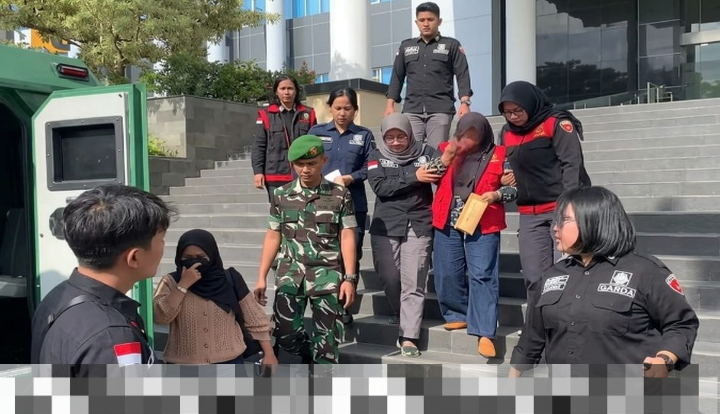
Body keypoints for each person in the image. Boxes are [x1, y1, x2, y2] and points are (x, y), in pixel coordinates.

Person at [509, 187, 699, 378]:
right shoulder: (552, 275)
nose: (555, 228)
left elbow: (681, 324)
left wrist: (664, 359)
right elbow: (530, 340)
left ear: (594, 221)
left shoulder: (645, 272)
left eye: (565, 220)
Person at [30, 184, 177, 377]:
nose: (163, 246)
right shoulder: (112, 337)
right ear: (134, 257)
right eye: (161, 239)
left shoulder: (57, 297)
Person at [254, 135, 358, 367]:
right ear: (292, 164)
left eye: (311, 163)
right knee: (285, 333)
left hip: (327, 274)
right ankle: (307, 353)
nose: (305, 170)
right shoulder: (281, 195)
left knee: (327, 344)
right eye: (300, 164)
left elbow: (347, 235)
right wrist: (261, 276)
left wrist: (349, 278)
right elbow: (273, 234)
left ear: (323, 160)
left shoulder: (340, 194)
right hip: (290, 273)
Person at [429, 112, 517, 359]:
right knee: (447, 270)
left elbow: (513, 189)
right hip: (447, 219)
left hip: (483, 220)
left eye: (473, 135)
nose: (468, 140)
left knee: (483, 274)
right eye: (464, 134)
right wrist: (446, 158)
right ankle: (456, 313)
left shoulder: (500, 154)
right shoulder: (445, 148)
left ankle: (485, 331)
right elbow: (428, 175)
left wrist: (497, 194)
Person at [497, 80, 591, 299]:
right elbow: (503, 163)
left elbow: (572, 165)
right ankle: (538, 319)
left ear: (529, 104)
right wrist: (502, 176)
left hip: (561, 208)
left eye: (518, 110)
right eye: (507, 112)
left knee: (567, 273)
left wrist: (568, 208)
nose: (513, 116)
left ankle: (566, 318)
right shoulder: (506, 132)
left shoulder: (555, 123)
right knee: (534, 277)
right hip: (530, 213)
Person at [153, 229, 277, 370]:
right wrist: (182, 285)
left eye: (201, 257)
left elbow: (255, 318)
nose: (195, 262)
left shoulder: (230, 279)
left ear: (212, 255)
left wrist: (269, 354)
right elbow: (160, 317)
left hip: (229, 365)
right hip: (183, 367)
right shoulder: (170, 282)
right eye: (187, 257)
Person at [367, 113, 436, 358]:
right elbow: (381, 187)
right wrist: (414, 177)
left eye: (401, 136)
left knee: (414, 281)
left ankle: (409, 336)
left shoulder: (427, 153)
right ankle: (401, 311)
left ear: (410, 134)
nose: (396, 142)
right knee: (390, 277)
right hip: (386, 225)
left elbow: (445, 170)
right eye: (390, 137)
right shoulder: (375, 156)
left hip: (419, 223)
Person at [309, 86, 374, 326]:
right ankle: (325, 300)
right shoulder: (316, 132)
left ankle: (346, 304)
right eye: (338, 108)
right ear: (330, 108)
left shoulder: (364, 136)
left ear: (355, 110)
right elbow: (305, 162)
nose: (342, 113)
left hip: (353, 203)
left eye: (347, 108)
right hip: (322, 201)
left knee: (351, 253)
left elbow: (371, 167)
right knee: (326, 251)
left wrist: (351, 178)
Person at [384, 1, 473, 149]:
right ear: (416, 22)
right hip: (412, 110)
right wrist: (390, 105)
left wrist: (465, 102)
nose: (426, 24)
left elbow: (462, 74)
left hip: (440, 109)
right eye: (422, 20)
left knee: (436, 151)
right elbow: (397, 77)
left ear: (439, 21)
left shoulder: (451, 45)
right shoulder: (406, 46)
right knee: (411, 151)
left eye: (430, 19)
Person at [252, 74, 318, 202]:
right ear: (276, 91)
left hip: (303, 174)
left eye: (290, 88)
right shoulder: (266, 115)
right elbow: (259, 146)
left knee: (304, 210)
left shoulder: (308, 114)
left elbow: (314, 144)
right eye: (282, 88)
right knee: (278, 211)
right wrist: (258, 172)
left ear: (296, 91)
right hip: (275, 175)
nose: (286, 92)